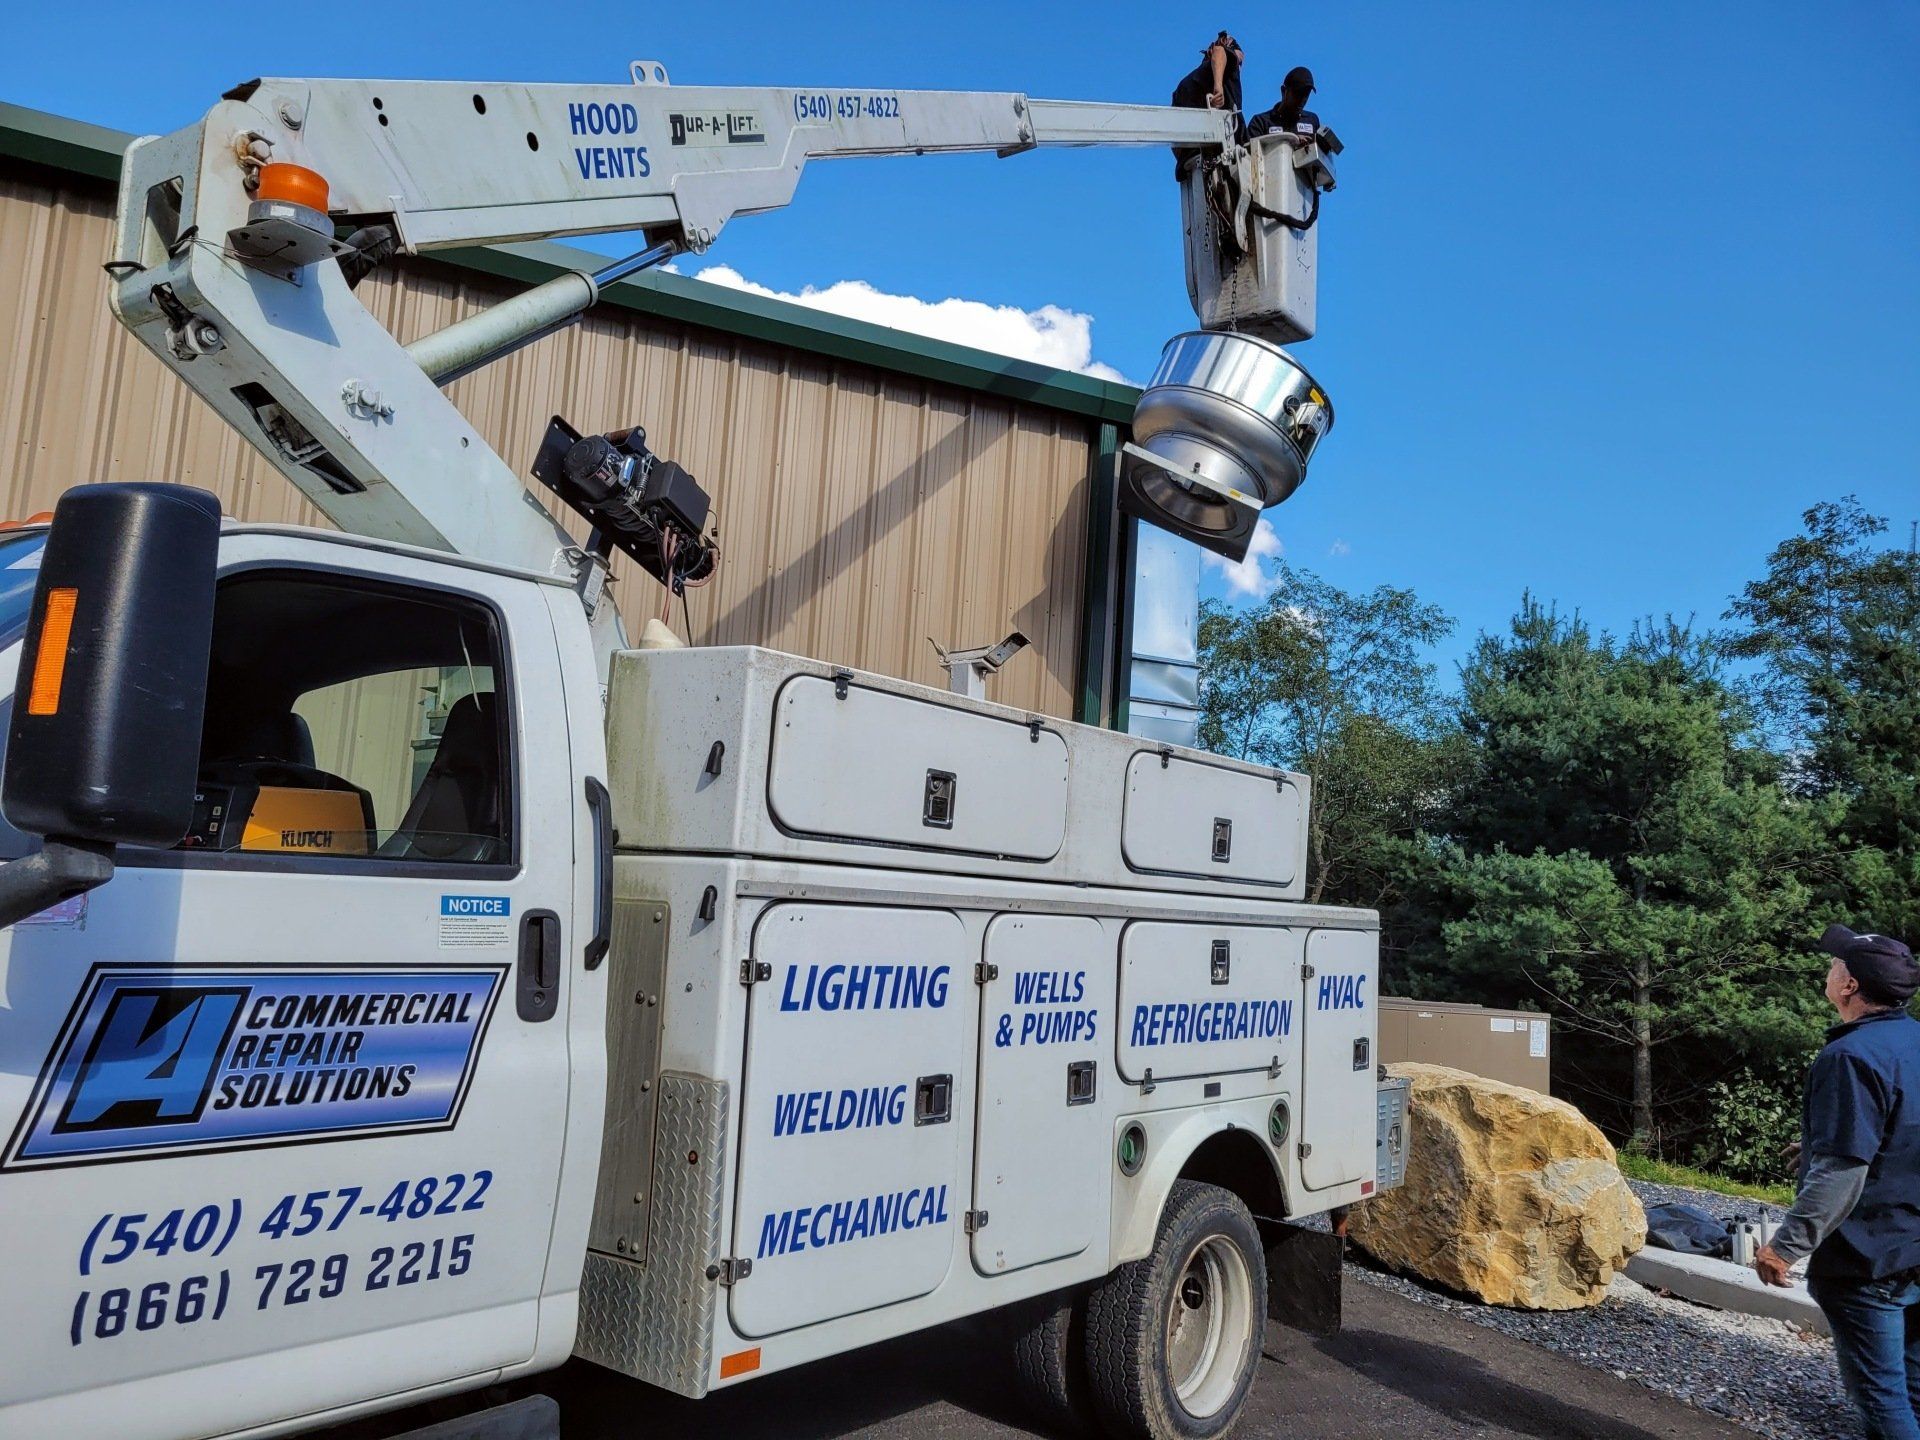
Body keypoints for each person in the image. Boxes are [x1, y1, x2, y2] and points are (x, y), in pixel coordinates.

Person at [1755, 924, 1920, 1440]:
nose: (1827, 972)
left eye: (1834, 965)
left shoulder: (1849, 1056)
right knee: (1914, 1386)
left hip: (1868, 1257)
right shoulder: (1911, 1041)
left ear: (1849, 987)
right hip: (1914, 1245)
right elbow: (1901, 1126)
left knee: (1881, 1396)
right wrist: (1821, 1142)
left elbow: (1844, 1171)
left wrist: (1784, 1248)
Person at [1170, 32, 1245, 179]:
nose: (1239, 67)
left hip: (1193, 170)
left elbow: (1175, 140)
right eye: (1239, 62)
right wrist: (1218, 86)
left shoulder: (1183, 87)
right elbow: (1220, 51)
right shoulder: (1225, 67)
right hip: (1224, 161)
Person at [1245, 65, 1320, 145]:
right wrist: (1293, 140)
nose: (1302, 99)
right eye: (1298, 93)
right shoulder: (1261, 122)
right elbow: (1251, 153)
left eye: (1306, 94)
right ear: (1283, 91)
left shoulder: (1312, 120)